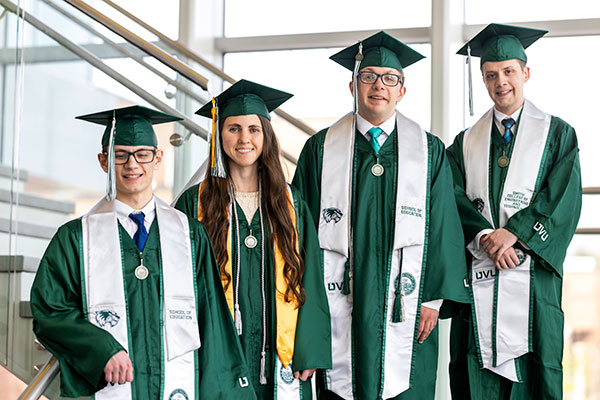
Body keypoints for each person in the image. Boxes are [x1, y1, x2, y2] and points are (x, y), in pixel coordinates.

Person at [30, 105, 255, 399]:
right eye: (119, 154)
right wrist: (101, 349)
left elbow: (210, 318)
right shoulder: (76, 238)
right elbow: (50, 310)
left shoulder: (189, 234)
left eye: (142, 154)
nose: (132, 165)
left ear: (158, 157)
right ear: (103, 161)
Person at [292, 31, 470, 400]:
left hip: (406, 303)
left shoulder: (429, 151)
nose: (379, 86)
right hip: (337, 304)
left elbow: (444, 228)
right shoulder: (320, 150)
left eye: (390, 79)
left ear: (402, 90)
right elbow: (302, 231)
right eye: (369, 76)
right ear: (353, 84)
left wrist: (432, 300)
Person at [447, 23, 582, 400]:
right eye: (490, 75)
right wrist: (486, 237)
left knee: (536, 372)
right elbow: (452, 198)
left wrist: (515, 233)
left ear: (525, 73)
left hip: (532, 277)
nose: (500, 82)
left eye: (508, 72)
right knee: (477, 374)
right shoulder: (464, 143)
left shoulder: (558, 134)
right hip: (480, 273)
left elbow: (563, 198)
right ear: (483, 80)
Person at [174, 79, 332, 399]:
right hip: (216, 347)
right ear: (219, 136)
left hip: (280, 351)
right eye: (233, 128)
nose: (244, 138)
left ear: (266, 137)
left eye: (253, 129)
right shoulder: (194, 203)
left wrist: (309, 348)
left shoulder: (290, 203)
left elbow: (311, 274)